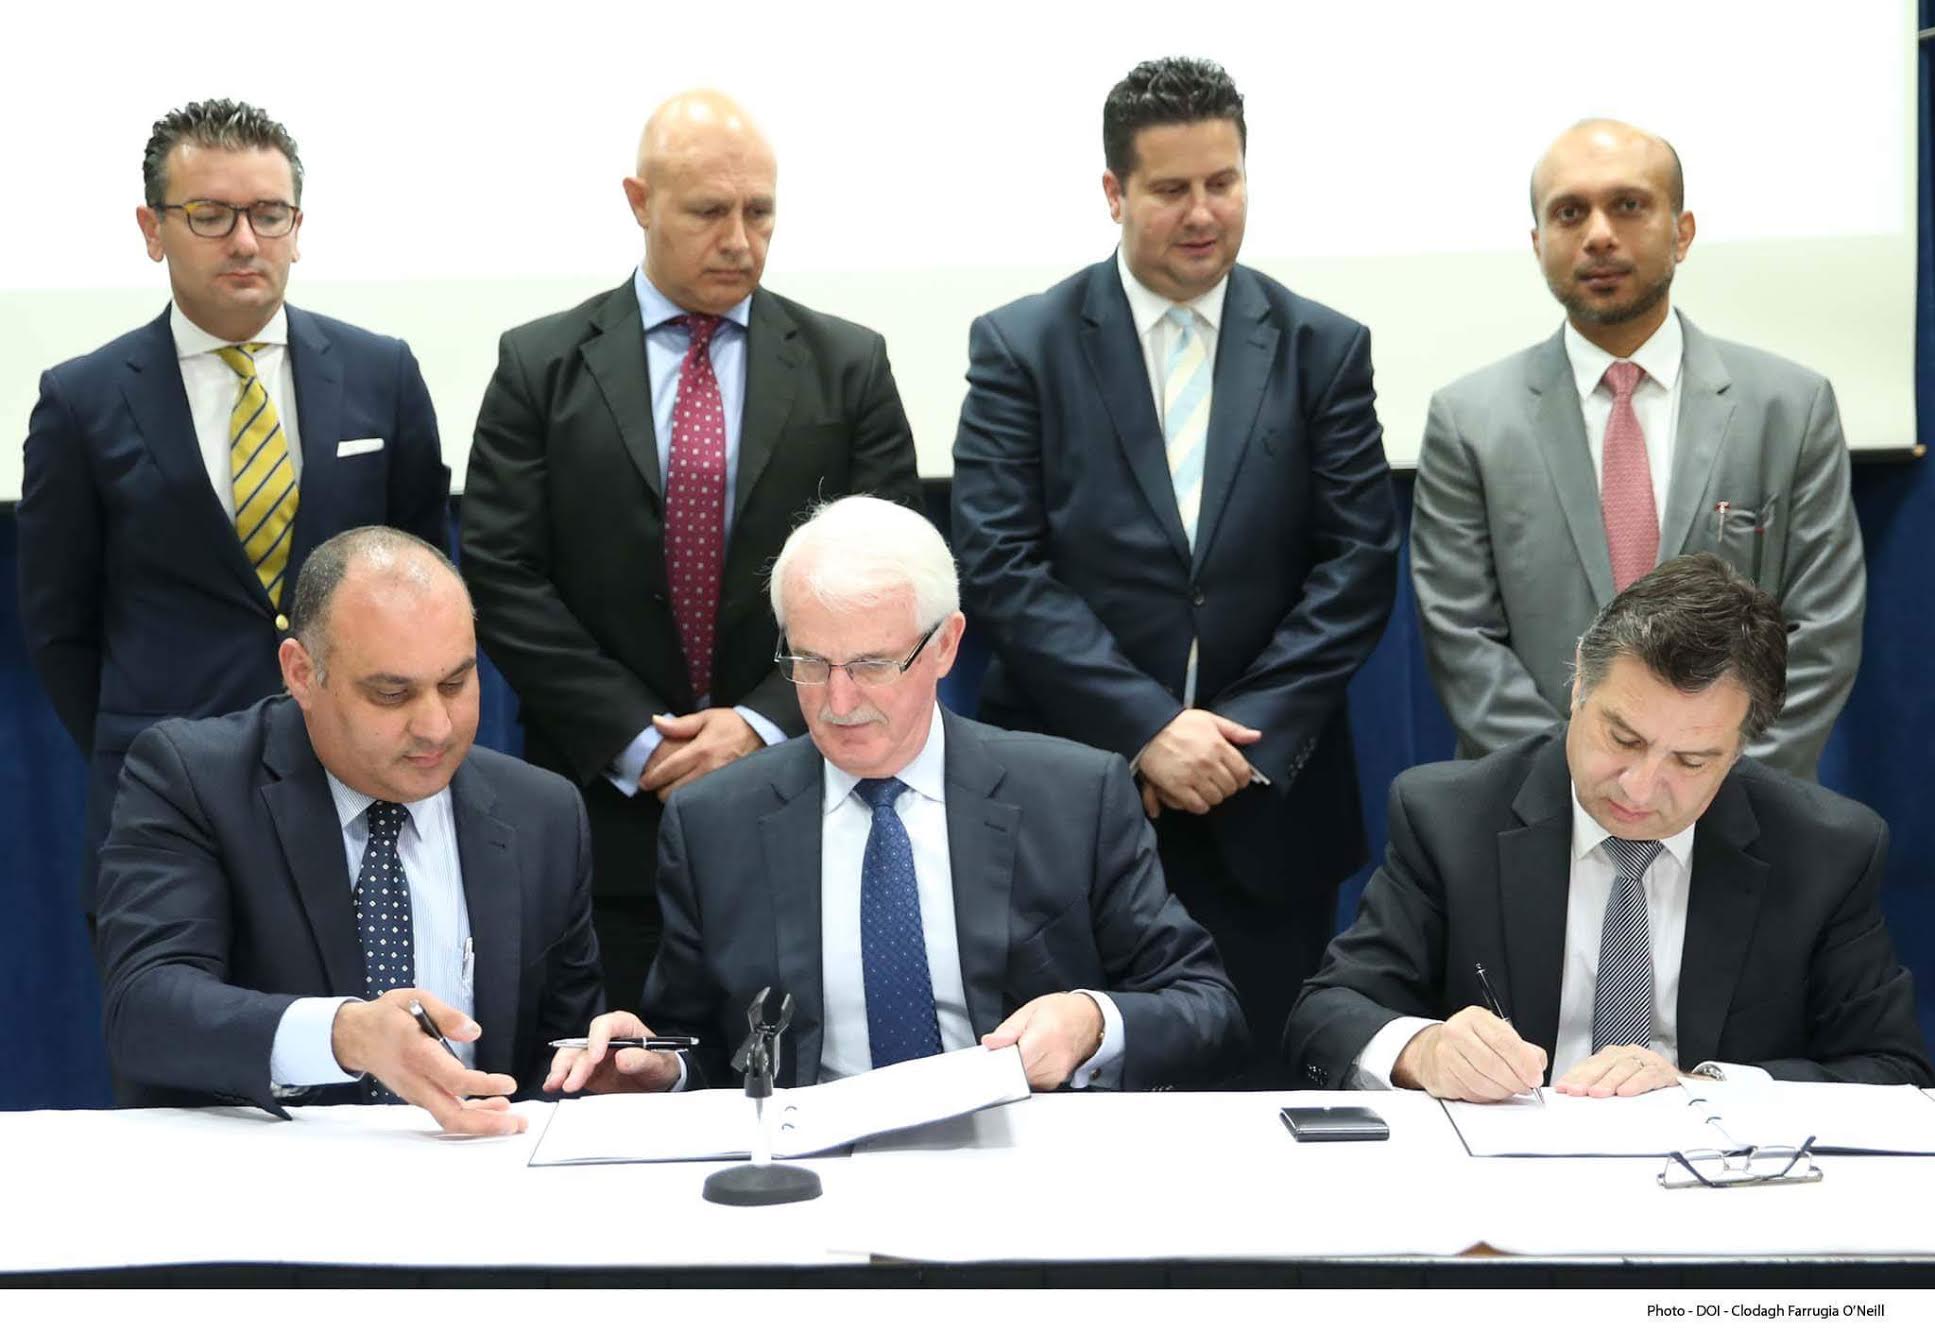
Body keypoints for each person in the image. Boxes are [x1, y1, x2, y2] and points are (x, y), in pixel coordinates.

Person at [949, 57, 1397, 1086]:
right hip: (1074, 802)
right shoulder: (1022, 345)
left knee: (1264, 1100)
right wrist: (1148, 729)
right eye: (1170, 189)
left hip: (1265, 806)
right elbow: (1001, 564)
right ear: (1113, 192)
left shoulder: (1323, 347)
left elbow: (1358, 562)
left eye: (1222, 182)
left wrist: (1237, 739)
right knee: (1063, 1099)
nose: (1202, 213)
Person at [460, 90, 920, 1011]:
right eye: (709, 211)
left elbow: (892, 569)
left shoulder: (847, 365)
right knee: (619, 1060)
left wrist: (757, 726)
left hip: (804, 787)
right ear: (639, 202)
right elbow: (503, 575)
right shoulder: (539, 366)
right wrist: (641, 744)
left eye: (760, 212)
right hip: (602, 809)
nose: (740, 241)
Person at [545, 497, 1245, 1096]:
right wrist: (658, 1068)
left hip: (1018, 1153)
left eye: (873, 665)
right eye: (810, 662)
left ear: (946, 646)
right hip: (812, 1171)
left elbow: (1206, 1007)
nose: (838, 700)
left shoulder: (1073, 796)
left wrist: (1091, 1022)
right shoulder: (713, 821)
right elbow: (701, 1042)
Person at [17, 99, 451, 927]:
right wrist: (148, 744)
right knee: (174, 1004)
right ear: (153, 229)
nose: (245, 241)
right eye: (210, 215)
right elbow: (58, 624)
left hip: (355, 777)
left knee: (365, 1004)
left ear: (297, 227)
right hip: (164, 796)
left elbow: (423, 572)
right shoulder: (83, 400)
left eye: (268, 214)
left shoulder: (381, 373)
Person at [1284, 554, 1931, 1100]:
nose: (1639, 787)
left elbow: (1891, 1071)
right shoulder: (1451, 817)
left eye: (1690, 761)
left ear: (1738, 750)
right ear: (1578, 688)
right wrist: (1422, 1050)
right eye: (1622, 738)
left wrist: (1701, 1087)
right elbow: (1326, 1014)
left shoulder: (1824, 850)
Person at [95, 528, 603, 1135]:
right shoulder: (195, 780)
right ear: (301, 673)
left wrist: (610, 1072)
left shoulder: (543, 813)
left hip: (477, 1169)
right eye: (392, 693)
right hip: (267, 1176)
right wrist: (344, 1035)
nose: (436, 727)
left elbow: (559, 1062)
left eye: (455, 684)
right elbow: (146, 1009)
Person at [1410, 118, 1864, 780]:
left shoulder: (1789, 408)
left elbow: (1821, 634)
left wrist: (1698, 781)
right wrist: (1581, 787)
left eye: (1627, 205)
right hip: (1535, 803)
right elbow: (1462, 640)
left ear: (1682, 232)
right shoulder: (1469, 421)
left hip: (1738, 806)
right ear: (1538, 243)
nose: (1598, 234)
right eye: (1569, 213)